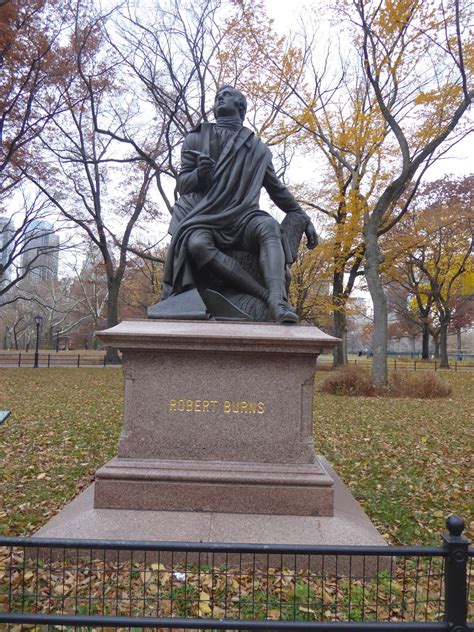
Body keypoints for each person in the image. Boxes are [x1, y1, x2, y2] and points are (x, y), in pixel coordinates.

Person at [160, 86, 318, 323]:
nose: (219, 98)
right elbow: (183, 184)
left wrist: (303, 217)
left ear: (241, 106)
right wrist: (201, 175)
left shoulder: (257, 148)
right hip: (206, 217)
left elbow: (277, 189)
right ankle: (264, 295)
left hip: (243, 217)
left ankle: (278, 301)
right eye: (216, 97)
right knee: (197, 244)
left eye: (225, 94)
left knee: (269, 227)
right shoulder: (196, 139)